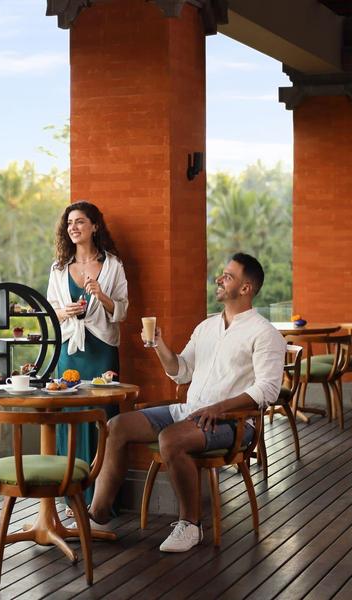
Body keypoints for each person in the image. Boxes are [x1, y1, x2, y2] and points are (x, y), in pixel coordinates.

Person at [88, 252, 285, 552]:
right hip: (189, 412)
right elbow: (181, 372)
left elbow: (268, 390)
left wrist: (220, 408)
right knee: (117, 426)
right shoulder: (206, 327)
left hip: (234, 423)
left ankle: (190, 525)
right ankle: (97, 515)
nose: (219, 279)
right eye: (222, 273)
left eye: (228, 276)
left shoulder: (264, 333)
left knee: (171, 439)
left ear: (245, 288)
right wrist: (158, 344)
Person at [46, 200, 128, 508]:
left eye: (80, 221)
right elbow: (49, 314)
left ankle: (102, 501)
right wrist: (64, 312)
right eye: (69, 223)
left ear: (95, 226)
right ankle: (71, 498)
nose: (73, 227)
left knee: (102, 418)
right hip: (69, 351)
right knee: (70, 418)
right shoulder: (58, 269)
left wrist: (101, 295)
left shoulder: (113, 265)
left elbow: (121, 312)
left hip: (102, 349)